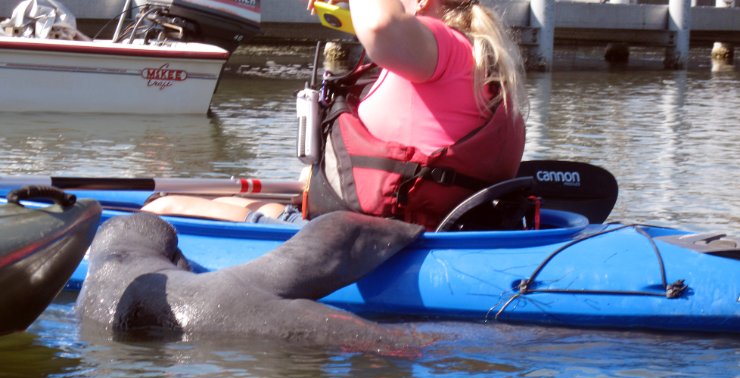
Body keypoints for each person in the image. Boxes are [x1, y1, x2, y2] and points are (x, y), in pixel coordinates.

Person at [143, 0, 527, 229]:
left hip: (368, 241)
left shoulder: (445, 47)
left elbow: (381, 25)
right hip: (384, 227)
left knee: (163, 208)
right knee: (184, 196)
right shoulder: (476, 58)